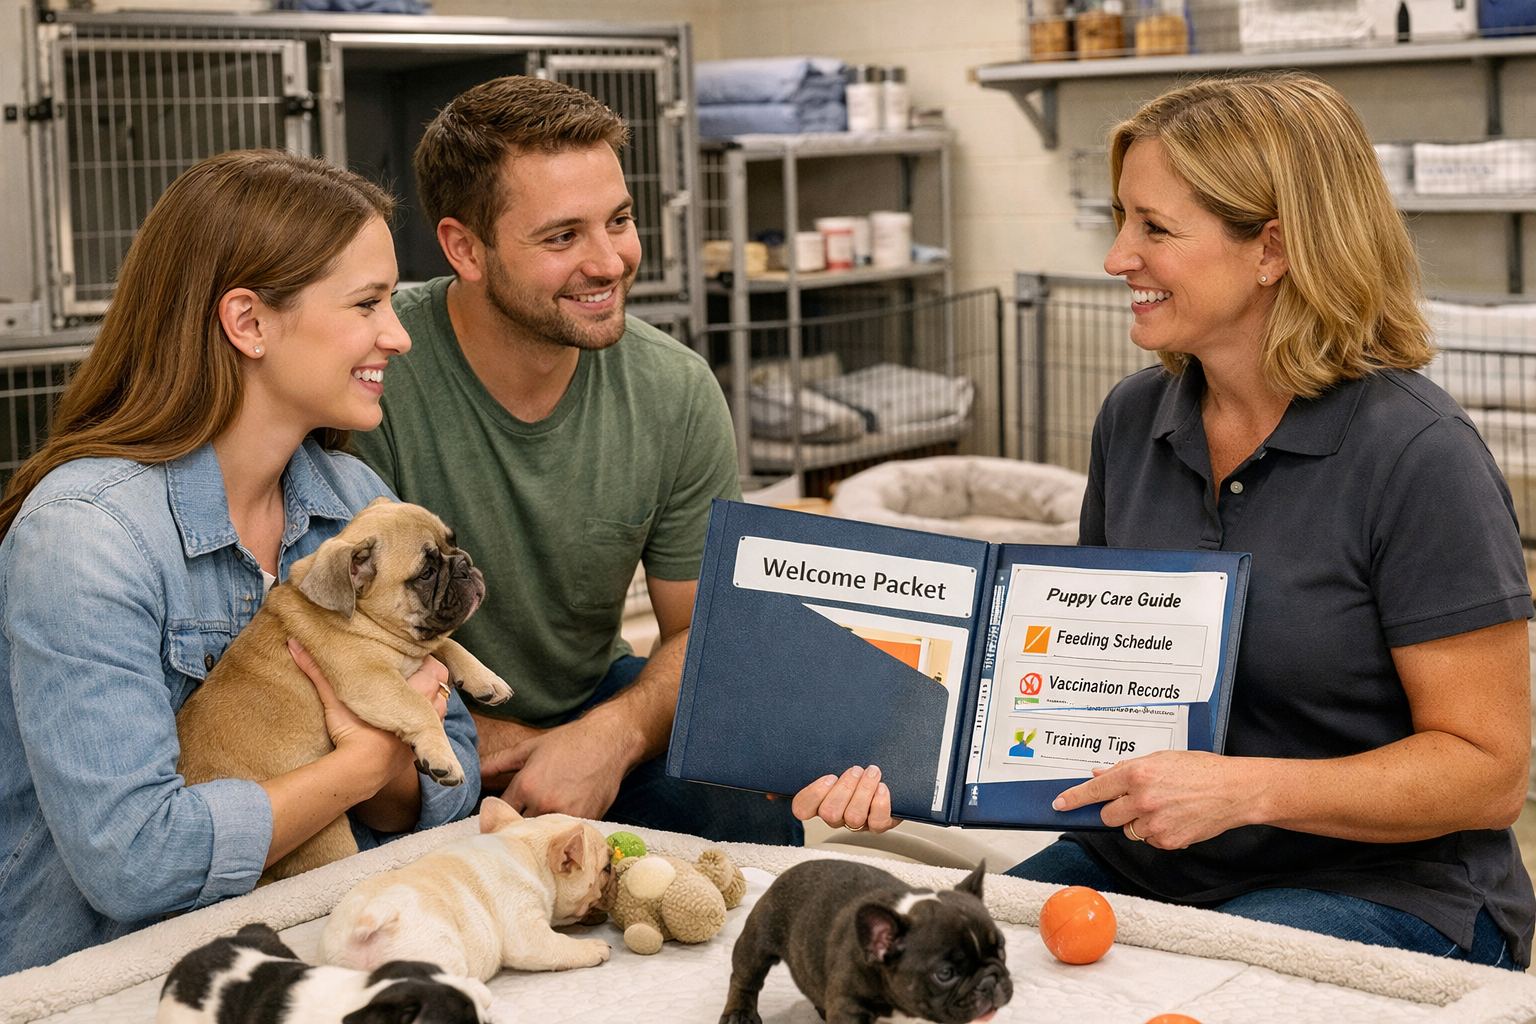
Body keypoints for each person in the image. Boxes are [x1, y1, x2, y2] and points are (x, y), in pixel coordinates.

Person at [795, 73, 1535, 968]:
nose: (1116, 257)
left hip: (1387, 887)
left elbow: (1489, 773)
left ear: (1273, 249)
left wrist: (1244, 791)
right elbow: (1077, 690)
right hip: (1151, 852)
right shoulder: (1133, 420)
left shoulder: (1420, 455)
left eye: (1154, 228)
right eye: (1121, 220)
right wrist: (901, 762)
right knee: (946, 963)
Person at [0, 150, 481, 976]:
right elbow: (137, 861)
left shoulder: (351, 495)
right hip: (121, 977)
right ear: (248, 322)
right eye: (368, 304)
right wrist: (362, 762)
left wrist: (399, 762)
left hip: (322, 938)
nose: (398, 335)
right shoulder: (86, 538)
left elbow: (454, 774)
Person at [348, 76, 799, 845]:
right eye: (562, 237)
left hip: (593, 703)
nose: (610, 261)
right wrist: (486, 742)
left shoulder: (676, 389)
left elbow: (708, 631)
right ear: (466, 248)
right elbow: (327, 637)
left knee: (752, 784)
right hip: (409, 725)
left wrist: (609, 738)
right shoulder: (375, 379)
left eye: (618, 221)